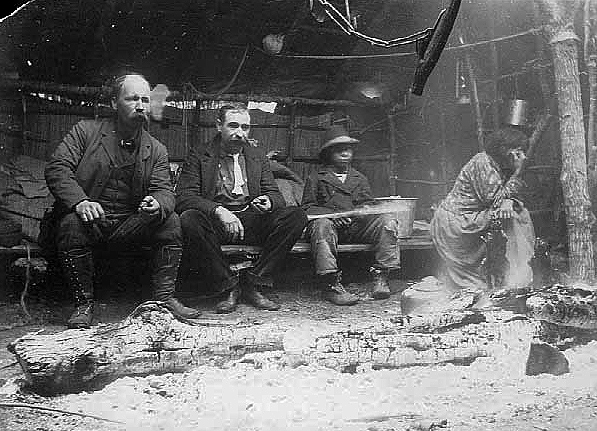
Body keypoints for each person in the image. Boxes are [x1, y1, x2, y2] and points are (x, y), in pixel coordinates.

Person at [44, 73, 200, 328]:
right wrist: (81, 202)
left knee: (170, 221)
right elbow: (57, 169)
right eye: (132, 98)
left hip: (129, 225)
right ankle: (83, 304)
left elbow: (165, 191)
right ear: (115, 103)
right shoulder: (85, 132)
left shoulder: (156, 148)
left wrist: (158, 204)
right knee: (71, 223)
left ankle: (165, 300)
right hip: (91, 222)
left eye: (146, 100)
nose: (140, 105)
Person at [175, 102, 308, 313]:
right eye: (233, 125)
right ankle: (229, 285)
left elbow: (275, 195)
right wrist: (218, 211)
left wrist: (268, 201)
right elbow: (184, 196)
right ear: (219, 125)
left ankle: (255, 282)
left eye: (245, 127)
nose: (239, 133)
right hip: (215, 223)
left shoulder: (256, 156)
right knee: (190, 218)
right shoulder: (200, 155)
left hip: (250, 219)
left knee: (296, 216)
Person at [301, 125, 401, 306]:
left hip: (356, 227)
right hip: (329, 231)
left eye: (347, 149)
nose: (345, 153)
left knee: (387, 221)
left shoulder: (359, 178)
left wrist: (362, 212)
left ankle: (381, 276)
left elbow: (368, 204)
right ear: (328, 153)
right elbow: (307, 208)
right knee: (322, 225)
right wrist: (332, 215)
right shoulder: (316, 177)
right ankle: (331, 284)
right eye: (338, 150)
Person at [430, 127, 535, 294]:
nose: (523, 156)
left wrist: (508, 200)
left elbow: (505, 198)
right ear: (505, 150)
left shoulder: (497, 165)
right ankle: (518, 274)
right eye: (519, 151)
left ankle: (520, 271)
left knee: (519, 212)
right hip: (456, 223)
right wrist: (519, 172)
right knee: (512, 216)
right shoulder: (482, 163)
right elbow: (495, 201)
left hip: (471, 219)